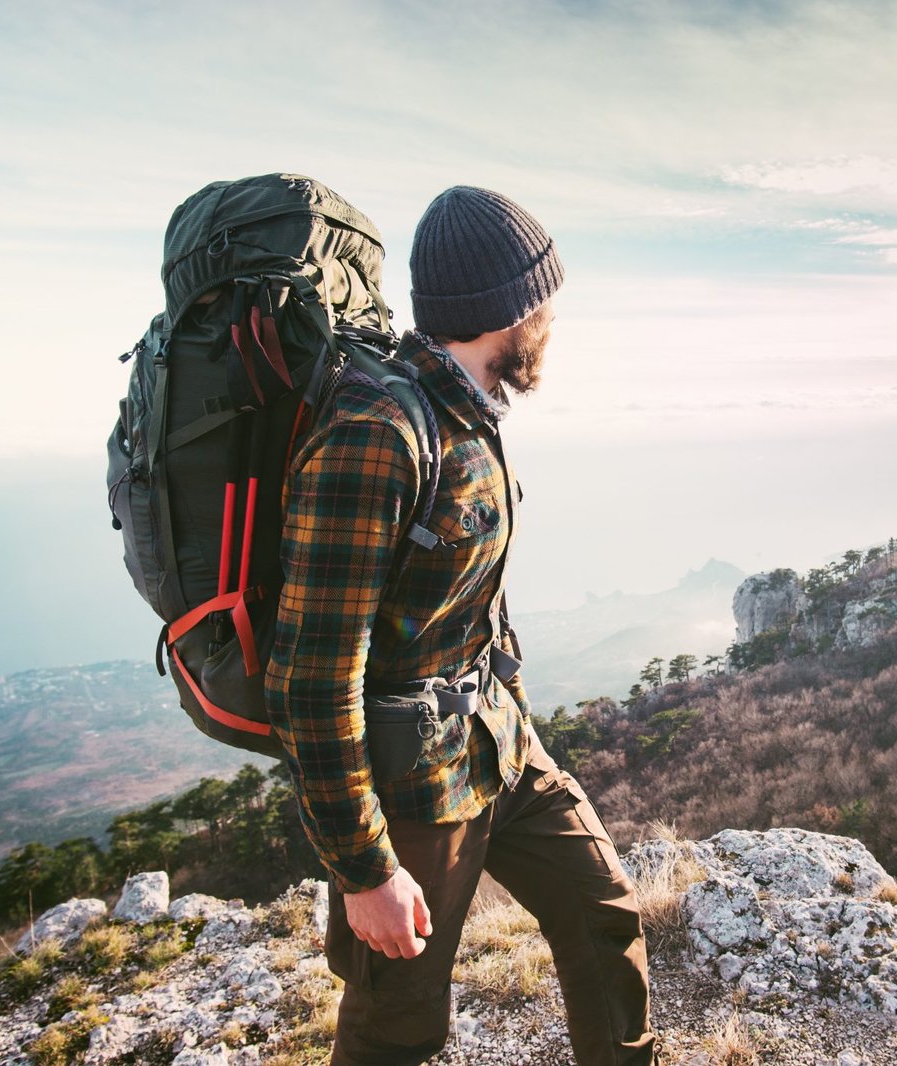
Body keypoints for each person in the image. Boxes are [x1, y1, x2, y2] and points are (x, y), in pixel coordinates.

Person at [265, 186, 657, 1065]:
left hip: (495, 744)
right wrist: (364, 873)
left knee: (602, 914)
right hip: (412, 792)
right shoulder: (378, 432)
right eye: (542, 297)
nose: (552, 315)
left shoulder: (466, 409)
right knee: (397, 1024)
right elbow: (310, 679)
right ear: (506, 311)